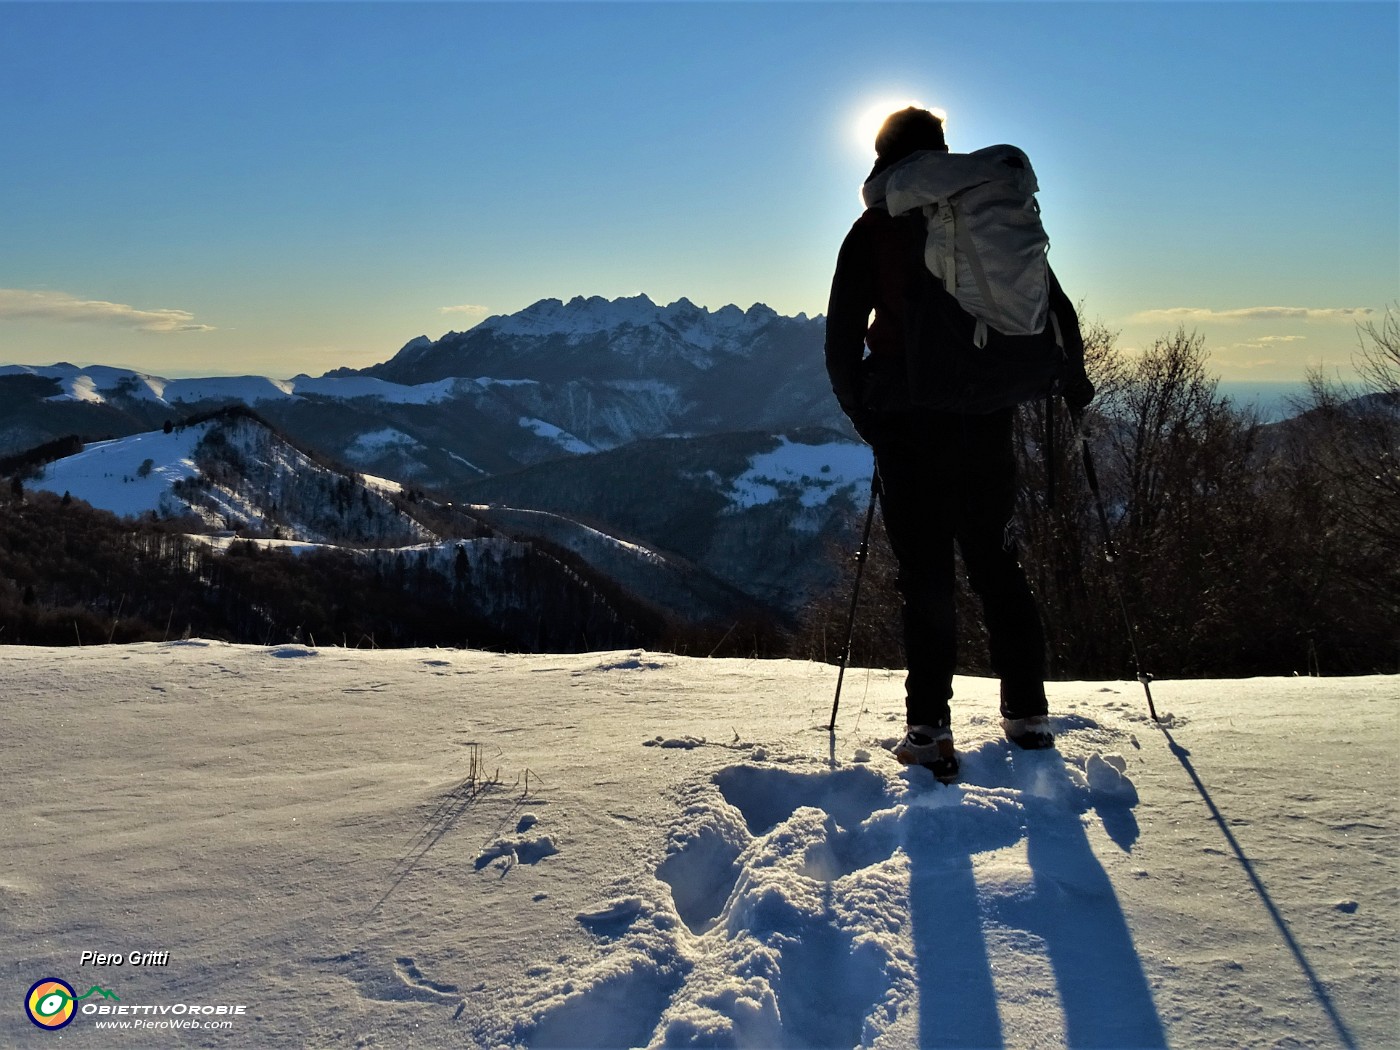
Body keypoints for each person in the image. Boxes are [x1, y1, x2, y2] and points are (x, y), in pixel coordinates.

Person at [824, 107, 1092, 780]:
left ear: (884, 158)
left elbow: (840, 340)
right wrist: (1072, 378)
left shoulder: (876, 226)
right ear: (940, 152)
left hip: (911, 422)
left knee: (927, 576)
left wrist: (868, 417)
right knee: (999, 564)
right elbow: (1054, 307)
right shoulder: (986, 211)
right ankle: (1028, 716)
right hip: (988, 417)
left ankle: (929, 732)